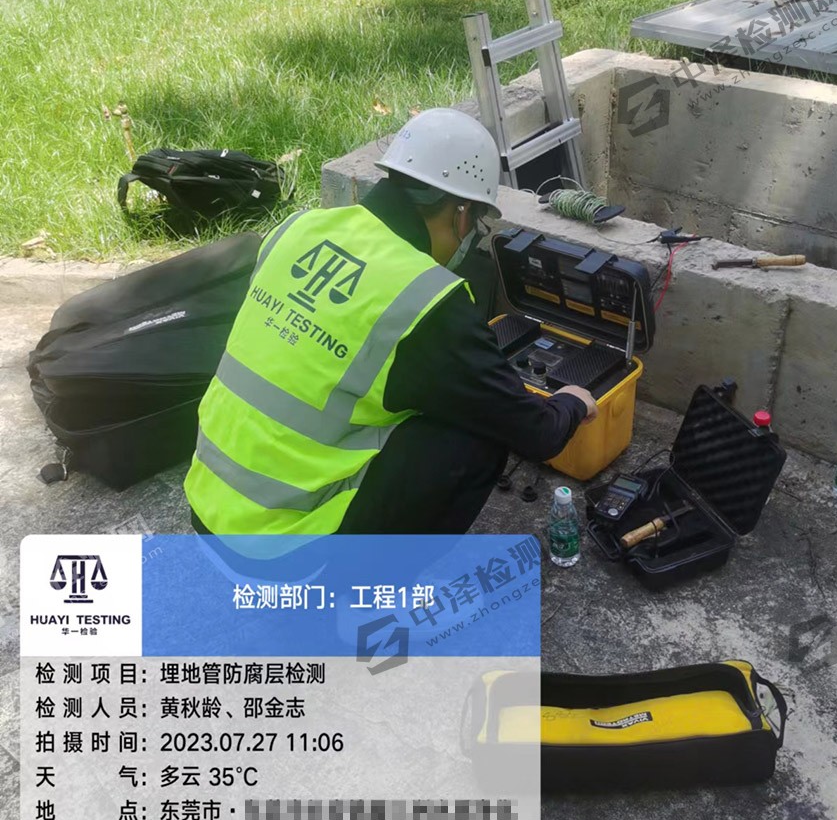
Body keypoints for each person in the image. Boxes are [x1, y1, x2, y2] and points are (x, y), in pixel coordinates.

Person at [184, 108, 598, 541]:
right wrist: (571, 404)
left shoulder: (298, 228)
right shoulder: (426, 299)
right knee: (476, 438)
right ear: (461, 214)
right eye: (474, 225)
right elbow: (534, 433)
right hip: (281, 548)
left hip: (209, 507)